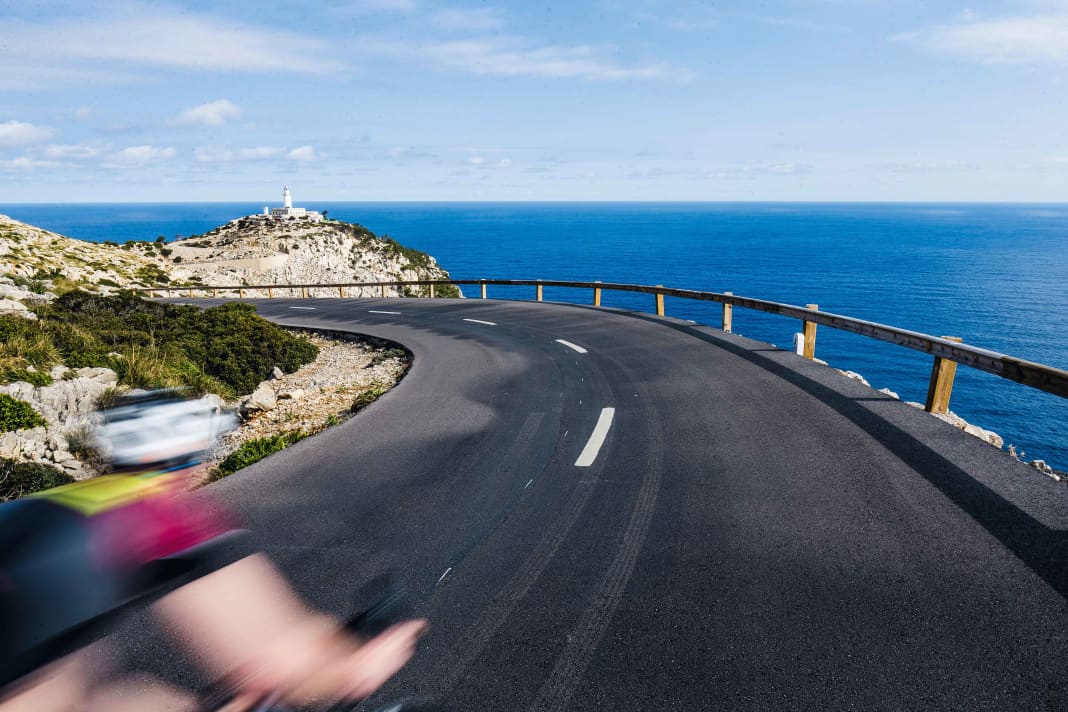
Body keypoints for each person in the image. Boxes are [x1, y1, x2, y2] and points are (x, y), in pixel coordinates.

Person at [0, 390, 426, 711]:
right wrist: (363, 662)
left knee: (110, 691)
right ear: (182, 456)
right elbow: (284, 659)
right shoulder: (160, 514)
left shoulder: (53, 505)